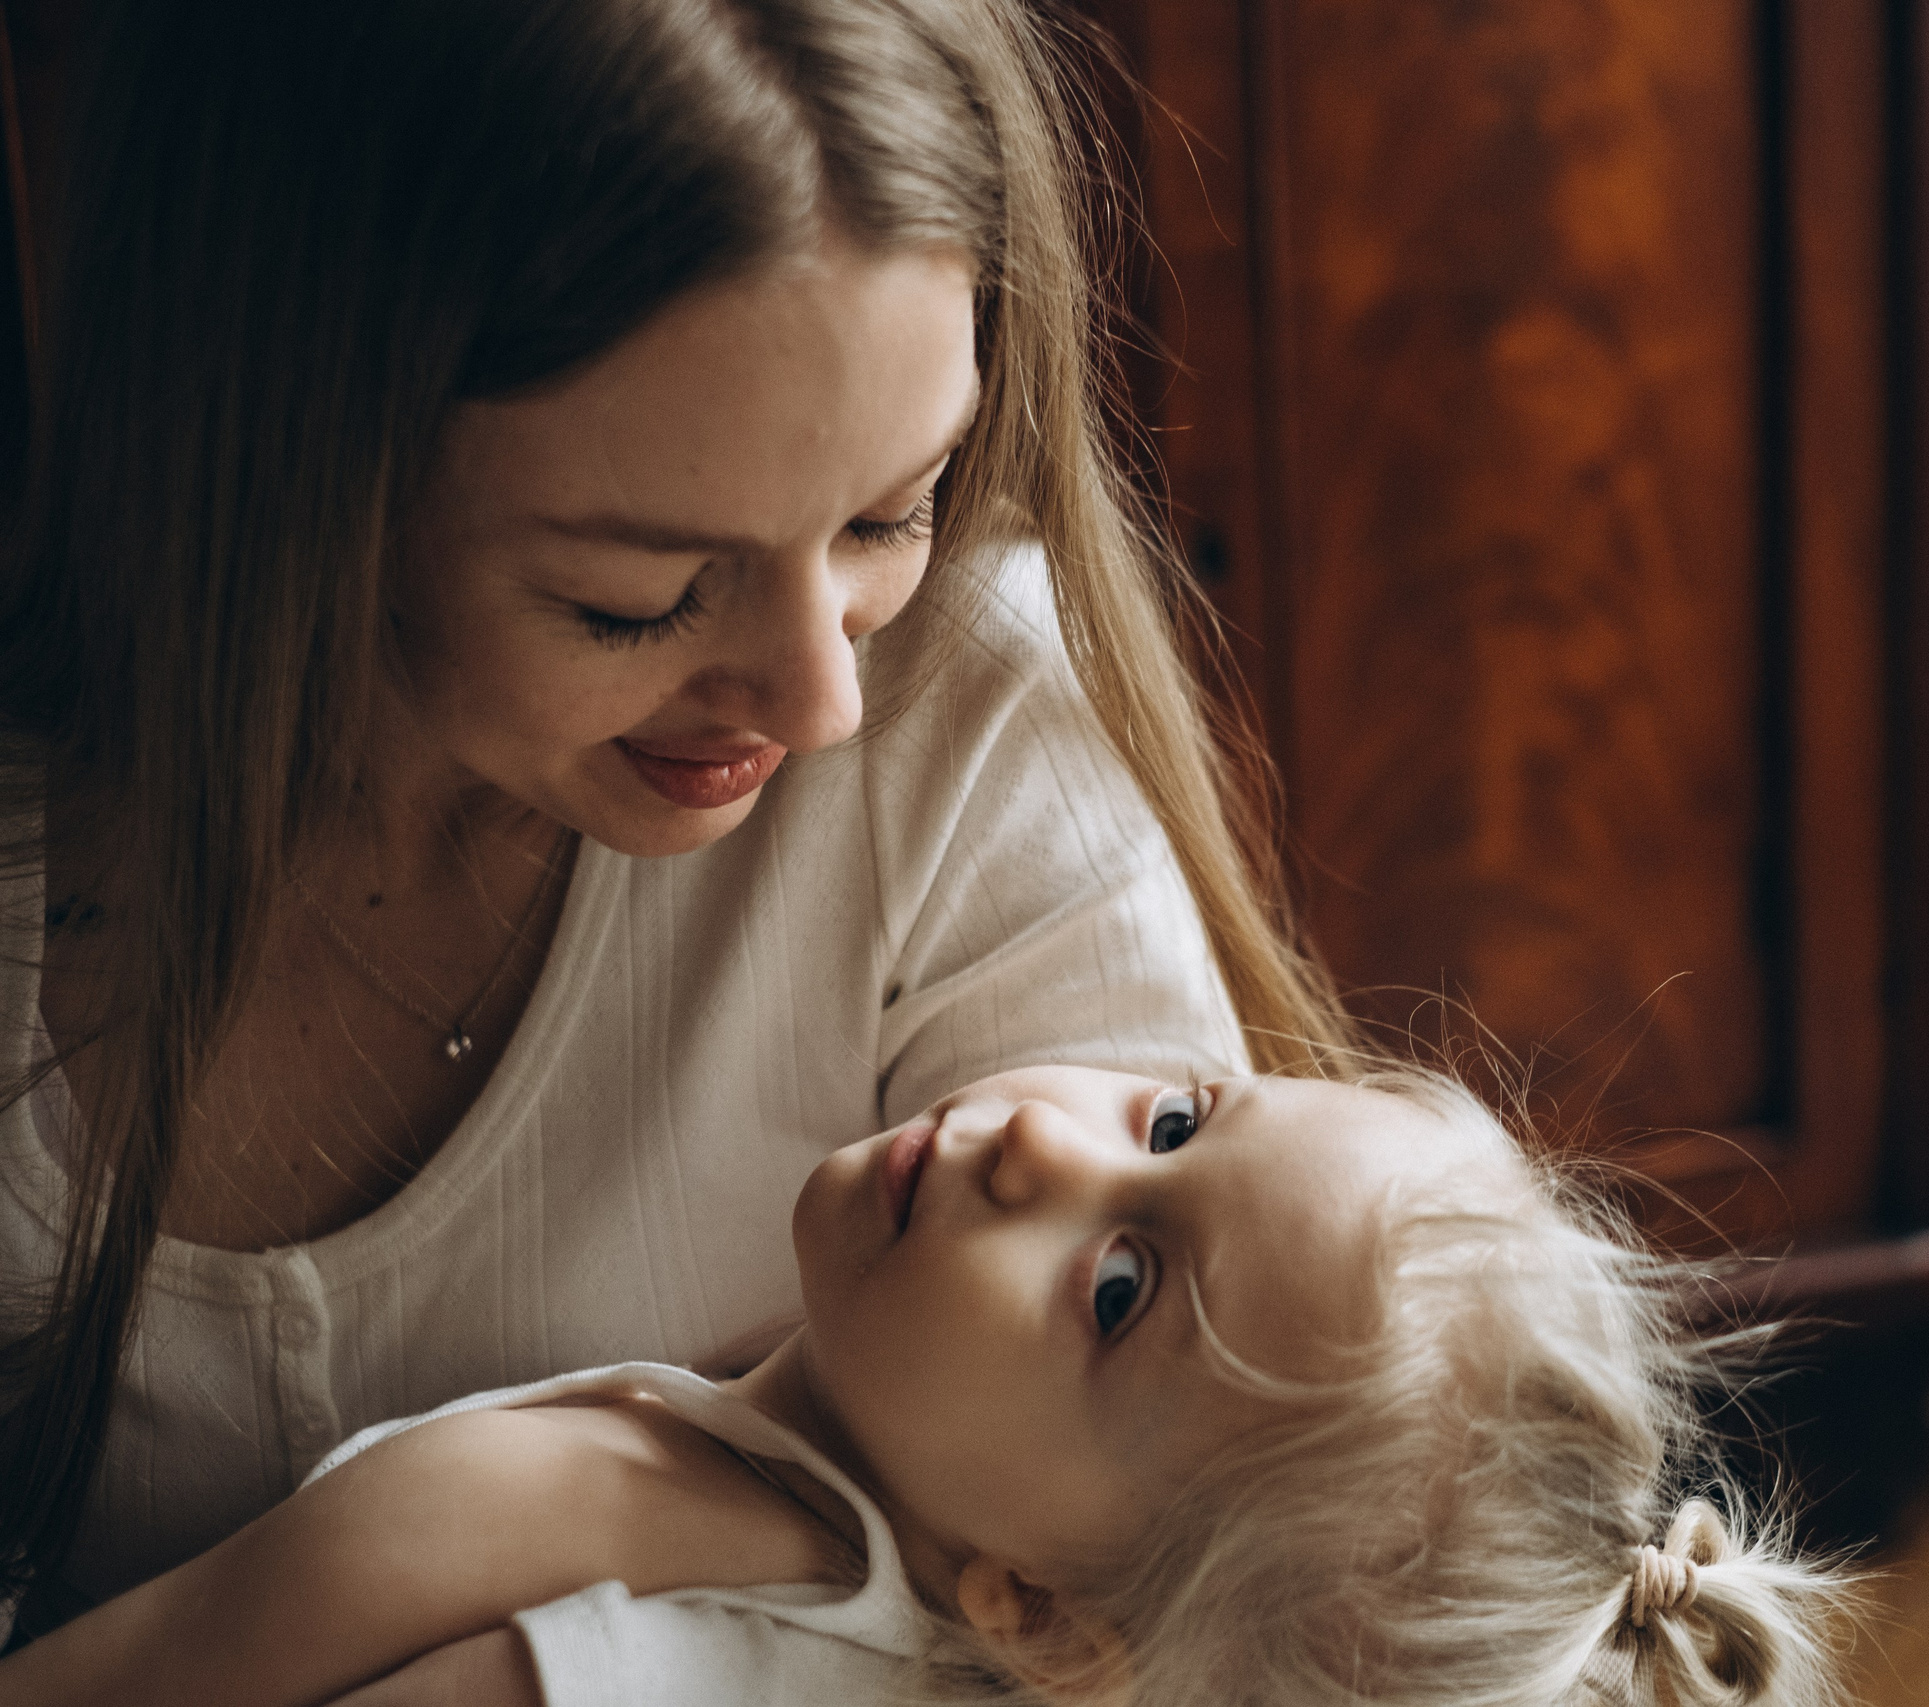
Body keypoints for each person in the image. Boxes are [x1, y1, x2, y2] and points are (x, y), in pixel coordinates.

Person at [0, 0, 1347, 1634]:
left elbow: (1174, 1563)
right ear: (287, 469)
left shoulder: (957, 709)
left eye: (887, 512)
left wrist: (548, 1513)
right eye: (637, 599)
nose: (821, 703)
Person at [0, 1061, 1854, 1707]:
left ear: (1042, 1616)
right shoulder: (905, 1616)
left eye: (1122, 1289)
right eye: (1177, 1117)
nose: (1043, 1147)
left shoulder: (547, 1554)